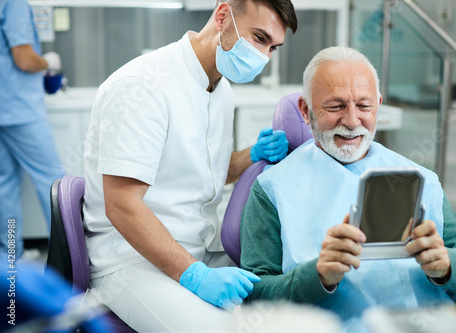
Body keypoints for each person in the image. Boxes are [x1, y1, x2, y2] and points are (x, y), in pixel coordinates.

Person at [240, 46, 456, 332]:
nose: (352, 121)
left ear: (378, 104)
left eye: (364, 106)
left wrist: (449, 265)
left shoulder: (418, 179)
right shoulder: (272, 188)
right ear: (305, 110)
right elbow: (254, 297)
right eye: (336, 106)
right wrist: (317, 276)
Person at [83, 0, 297, 331]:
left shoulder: (221, 89)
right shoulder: (144, 85)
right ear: (223, 16)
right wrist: (194, 275)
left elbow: (205, 172)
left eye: (273, 47)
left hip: (197, 249)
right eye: (259, 38)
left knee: (284, 305)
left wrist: (253, 154)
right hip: (131, 260)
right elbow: (122, 205)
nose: (264, 57)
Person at [0, 0, 65, 257]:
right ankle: (66, 259)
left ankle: (10, 257)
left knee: (6, 185)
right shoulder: (13, 2)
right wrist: (46, 61)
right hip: (19, 108)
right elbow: (25, 60)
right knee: (55, 182)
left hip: (5, 108)